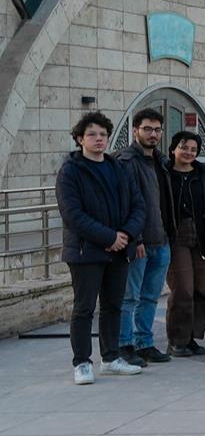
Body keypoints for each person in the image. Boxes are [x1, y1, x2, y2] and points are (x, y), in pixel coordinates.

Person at [58, 112, 145, 382]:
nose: (98, 139)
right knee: (84, 309)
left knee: (113, 306)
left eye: (103, 135)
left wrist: (126, 235)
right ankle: (82, 363)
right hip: (86, 252)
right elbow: (73, 214)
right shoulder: (71, 171)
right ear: (79, 139)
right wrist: (109, 237)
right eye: (92, 134)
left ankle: (110, 358)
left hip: (119, 250)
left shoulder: (118, 168)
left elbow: (138, 205)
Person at [113, 108, 172, 363]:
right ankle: (123, 345)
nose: (153, 134)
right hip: (139, 243)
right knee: (129, 297)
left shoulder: (161, 161)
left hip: (162, 240)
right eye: (147, 129)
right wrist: (134, 238)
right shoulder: (125, 161)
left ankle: (144, 343)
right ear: (135, 130)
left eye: (157, 130)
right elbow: (123, 204)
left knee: (150, 297)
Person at [163, 131, 205, 356]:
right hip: (177, 237)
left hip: (201, 237)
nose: (189, 153)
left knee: (201, 289)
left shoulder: (204, 175)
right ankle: (177, 340)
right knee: (183, 289)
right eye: (184, 148)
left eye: (193, 150)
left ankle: (192, 337)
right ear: (173, 149)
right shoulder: (165, 174)